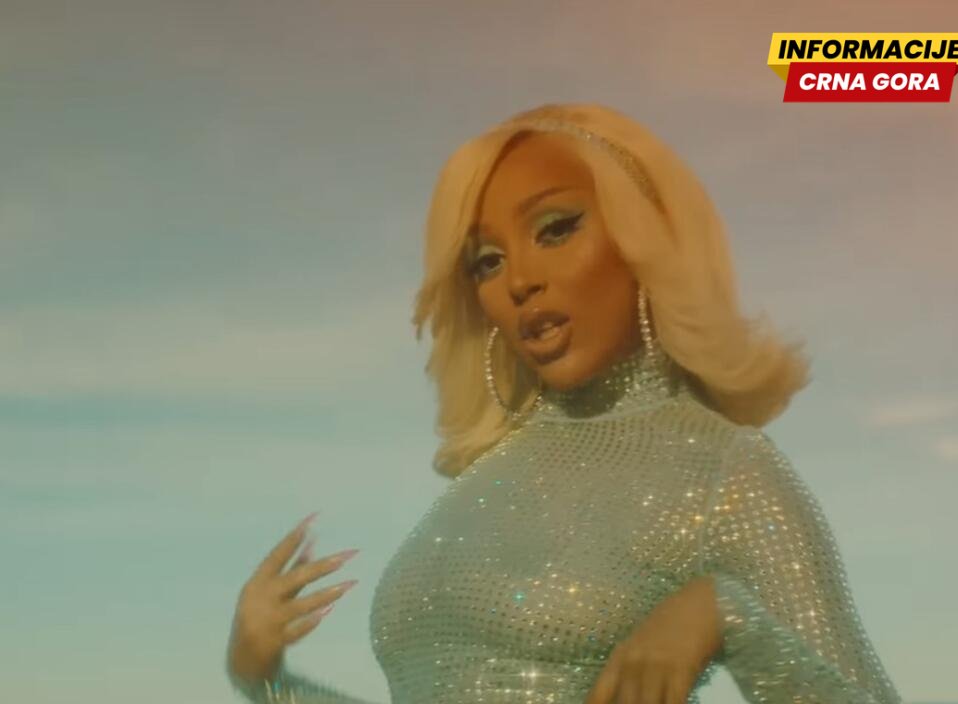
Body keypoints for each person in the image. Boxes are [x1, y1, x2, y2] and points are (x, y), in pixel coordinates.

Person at [225, 102, 904, 703]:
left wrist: (724, 615)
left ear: (641, 238)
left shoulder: (726, 472)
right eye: (487, 261)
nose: (520, 280)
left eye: (555, 228)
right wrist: (265, 680)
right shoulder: (486, 480)